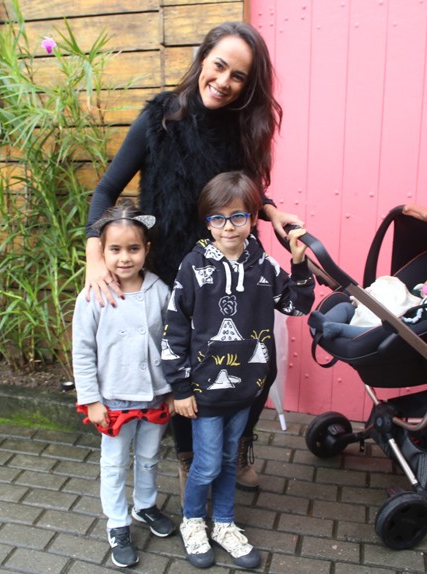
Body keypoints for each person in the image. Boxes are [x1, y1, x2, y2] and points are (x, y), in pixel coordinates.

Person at [84, 21, 303, 496]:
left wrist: (272, 210)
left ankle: (239, 444)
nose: (224, 81)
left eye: (239, 76)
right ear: (203, 58)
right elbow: (105, 190)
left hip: (237, 264)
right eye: (220, 65)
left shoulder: (244, 127)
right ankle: (189, 459)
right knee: (190, 367)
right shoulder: (160, 119)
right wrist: (93, 253)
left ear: (249, 85)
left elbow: (244, 194)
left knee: (255, 362)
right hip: (177, 270)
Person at [161, 171, 315, 569]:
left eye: (238, 217)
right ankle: (193, 522)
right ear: (206, 220)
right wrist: (180, 389)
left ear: (253, 218)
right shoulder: (193, 267)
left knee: (230, 459)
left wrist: (299, 265)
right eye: (218, 218)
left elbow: (296, 305)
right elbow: (174, 329)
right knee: (207, 462)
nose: (228, 227)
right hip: (205, 390)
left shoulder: (262, 264)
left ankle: (224, 523)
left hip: (247, 388)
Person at [73, 202, 176, 568]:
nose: (124, 257)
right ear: (102, 252)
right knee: (115, 463)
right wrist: (92, 400)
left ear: (146, 250)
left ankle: (145, 506)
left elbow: (172, 340)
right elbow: (83, 353)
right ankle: (117, 523)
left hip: (153, 395)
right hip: (113, 398)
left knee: (149, 457)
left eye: (133, 248)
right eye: (114, 249)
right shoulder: (92, 297)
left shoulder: (160, 291)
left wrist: (174, 388)